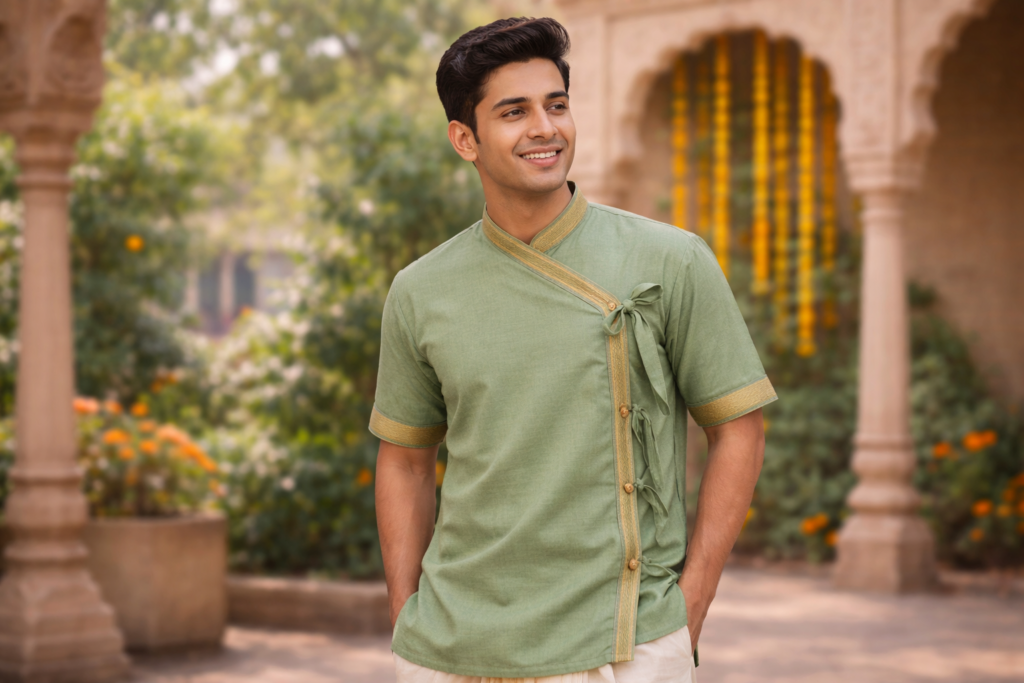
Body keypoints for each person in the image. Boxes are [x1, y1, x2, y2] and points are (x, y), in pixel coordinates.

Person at [372, 16, 775, 683]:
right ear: (464, 139)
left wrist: (688, 607)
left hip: (622, 643)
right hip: (452, 647)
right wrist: (405, 622)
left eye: (556, 105)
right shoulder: (421, 291)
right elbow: (405, 461)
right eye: (515, 111)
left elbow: (739, 427)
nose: (545, 128)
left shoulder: (669, 260)